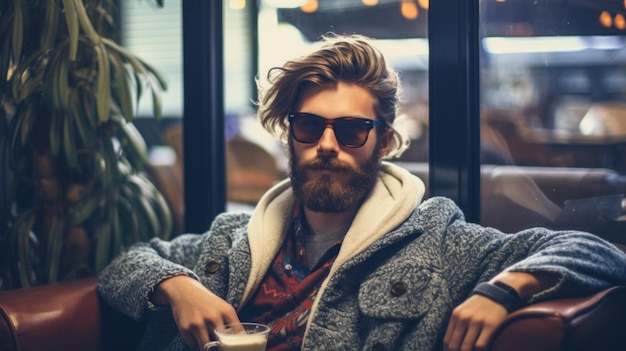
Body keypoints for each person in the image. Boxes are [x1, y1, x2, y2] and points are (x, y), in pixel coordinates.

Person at [97, 33, 626, 351]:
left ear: (386, 142)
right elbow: (126, 264)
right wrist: (177, 287)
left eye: (351, 131)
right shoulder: (233, 237)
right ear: (290, 135)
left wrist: (502, 290)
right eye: (309, 127)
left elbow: (599, 251)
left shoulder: (437, 242)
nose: (328, 145)